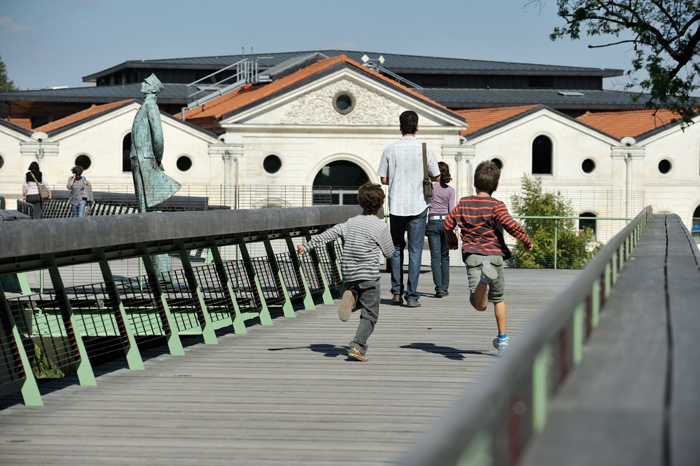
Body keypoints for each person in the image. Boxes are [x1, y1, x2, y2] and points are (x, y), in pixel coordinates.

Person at [298, 182, 394, 362]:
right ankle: (357, 346)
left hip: (349, 275)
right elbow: (389, 253)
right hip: (369, 276)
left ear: (360, 203)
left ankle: (351, 298)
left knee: (360, 298)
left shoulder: (350, 223)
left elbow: (328, 235)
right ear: (382, 205)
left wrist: (306, 246)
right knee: (370, 314)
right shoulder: (380, 226)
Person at [444, 161, 533, 354]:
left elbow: (447, 224)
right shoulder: (497, 205)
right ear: (497, 185)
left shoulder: (464, 203)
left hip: (473, 256)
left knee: (479, 304)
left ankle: (484, 279)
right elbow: (510, 225)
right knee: (498, 299)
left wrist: (452, 242)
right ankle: (502, 340)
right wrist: (526, 240)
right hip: (495, 257)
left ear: (473, 181)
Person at [377, 110, 439, 308]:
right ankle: (411, 296)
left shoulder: (390, 150)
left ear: (400, 127)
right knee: (415, 250)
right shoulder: (426, 149)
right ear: (417, 127)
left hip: (396, 206)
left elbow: (383, 179)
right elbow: (436, 175)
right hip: (418, 204)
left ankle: (396, 292)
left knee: (396, 248)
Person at [130, 73, 181, 213]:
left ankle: (147, 225)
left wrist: (157, 159)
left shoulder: (151, 106)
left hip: (145, 158)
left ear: (152, 89)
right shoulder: (146, 106)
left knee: (146, 198)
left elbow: (158, 137)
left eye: (145, 83)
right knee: (142, 198)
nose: (142, 84)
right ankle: (143, 222)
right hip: (138, 156)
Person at [426, 162, 456, 298]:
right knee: (445, 256)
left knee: (435, 257)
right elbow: (452, 211)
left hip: (432, 222)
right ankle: (445, 287)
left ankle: (438, 288)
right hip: (446, 223)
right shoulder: (450, 190)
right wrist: (455, 228)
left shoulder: (428, 188)